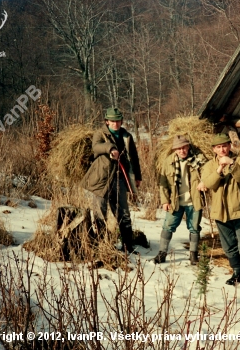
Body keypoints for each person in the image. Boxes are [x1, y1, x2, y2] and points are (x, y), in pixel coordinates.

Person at [81, 107, 149, 253]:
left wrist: (137, 177)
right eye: (112, 121)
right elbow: (96, 147)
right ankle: (100, 246)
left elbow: (134, 157)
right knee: (100, 213)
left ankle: (127, 246)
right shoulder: (100, 133)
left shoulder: (126, 136)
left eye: (118, 121)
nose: (116, 124)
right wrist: (110, 148)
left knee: (123, 213)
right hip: (102, 180)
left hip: (120, 179)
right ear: (107, 121)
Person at [201, 133, 240, 292]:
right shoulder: (209, 166)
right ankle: (236, 272)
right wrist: (219, 168)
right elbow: (209, 184)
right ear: (214, 149)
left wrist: (232, 164)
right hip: (220, 212)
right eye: (218, 147)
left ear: (230, 145)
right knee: (229, 245)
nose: (222, 149)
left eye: (225, 145)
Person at [153, 135, 207, 265]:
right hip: (175, 201)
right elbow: (163, 183)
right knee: (168, 226)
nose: (182, 151)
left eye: (184, 148)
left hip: (194, 201)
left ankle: (193, 254)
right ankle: (162, 253)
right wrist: (165, 201)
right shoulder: (168, 162)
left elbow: (207, 173)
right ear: (174, 150)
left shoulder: (198, 161)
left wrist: (204, 182)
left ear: (188, 147)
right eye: (178, 148)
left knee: (194, 228)